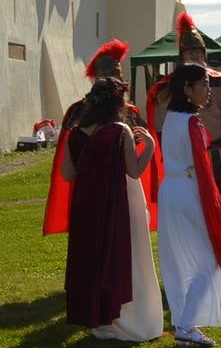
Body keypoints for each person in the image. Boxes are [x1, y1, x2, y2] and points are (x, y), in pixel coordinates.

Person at [60, 77, 163, 342]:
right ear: (119, 102)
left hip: (85, 205)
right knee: (120, 255)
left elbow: (67, 174)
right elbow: (134, 169)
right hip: (116, 202)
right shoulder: (120, 131)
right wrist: (149, 147)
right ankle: (122, 318)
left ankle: (97, 316)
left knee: (92, 256)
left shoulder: (76, 132)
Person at [44, 39, 157, 238]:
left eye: (117, 74)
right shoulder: (78, 111)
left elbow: (135, 153)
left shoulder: (130, 113)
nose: (115, 78)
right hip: (96, 184)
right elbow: (70, 163)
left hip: (125, 182)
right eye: (109, 74)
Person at [156, 64, 221, 347]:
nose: (208, 91)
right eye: (203, 85)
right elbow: (203, 167)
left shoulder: (172, 118)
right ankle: (186, 325)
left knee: (180, 259)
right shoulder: (191, 122)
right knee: (209, 261)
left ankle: (184, 321)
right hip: (188, 190)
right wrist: (216, 204)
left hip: (171, 190)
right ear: (187, 89)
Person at [148, 12, 221, 199]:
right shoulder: (169, 87)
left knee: (217, 202)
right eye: (189, 51)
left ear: (204, 53)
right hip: (185, 158)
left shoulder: (219, 82)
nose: (194, 54)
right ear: (182, 55)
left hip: (216, 152)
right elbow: (160, 124)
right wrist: (167, 154)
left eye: (198, 50)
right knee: (193, 203)